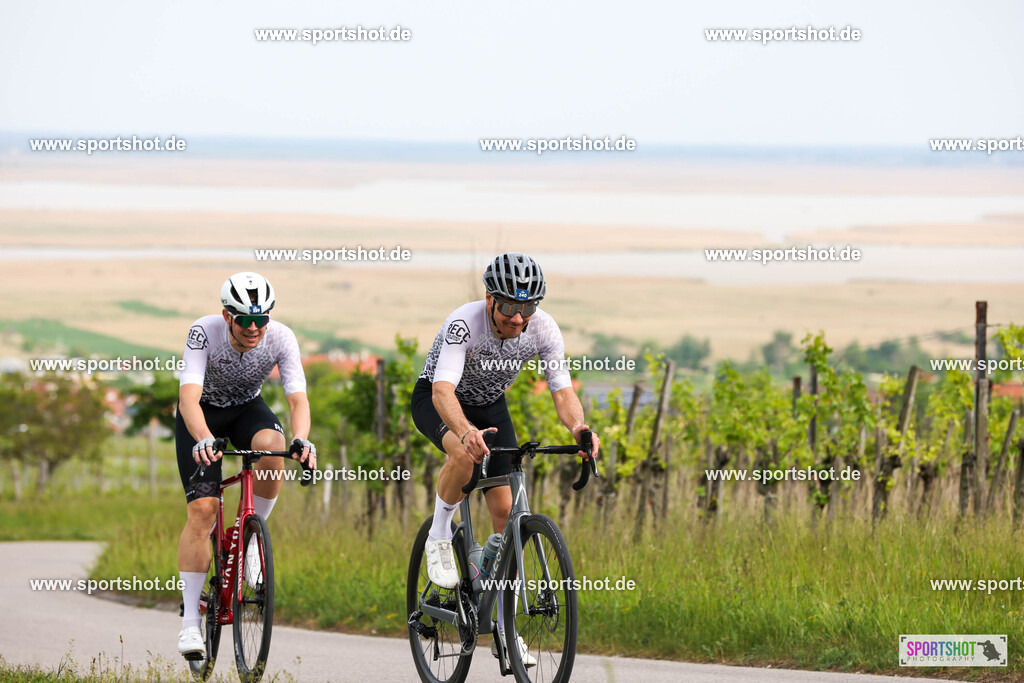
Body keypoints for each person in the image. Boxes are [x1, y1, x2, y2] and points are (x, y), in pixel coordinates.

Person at [411, 252, 600, 666]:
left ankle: (503, 627)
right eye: (511, 307)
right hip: (439, 399)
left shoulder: (544, 329)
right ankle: (440, 535)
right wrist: (463, 432)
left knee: (504, 512)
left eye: (527, 307)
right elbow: (443, 391)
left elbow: (562, 392)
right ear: (490, 298)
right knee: (462, 455)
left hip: (490, 407)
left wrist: (579, 429)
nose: (518, 318)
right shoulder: (465, 321)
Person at [174, 272, 316, 657]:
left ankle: (252, 538)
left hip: (245, 411)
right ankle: (190, 624)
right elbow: (188, 399)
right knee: (203, 511)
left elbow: (297, 401)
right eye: (245, 320)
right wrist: (203, 437)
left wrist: (302, 438)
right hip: (201, 416)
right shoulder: (204, 332)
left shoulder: (281, 337)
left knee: (274, 445)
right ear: (226, 315)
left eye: (261, 319)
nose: (254, 328)